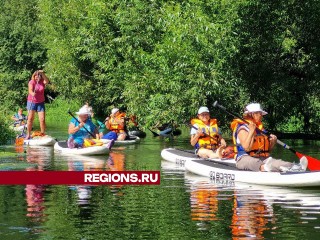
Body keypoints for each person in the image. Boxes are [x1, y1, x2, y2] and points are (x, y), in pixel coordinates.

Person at [230, 103, 308, 172]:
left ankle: (296, 167)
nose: (261, 115)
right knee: (256, 162)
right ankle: (265, 167)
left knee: (279, 162)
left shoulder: (261, 129)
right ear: (251, 114)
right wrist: (251, 132)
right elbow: (247, 148)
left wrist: (273, 142)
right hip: (244, 159)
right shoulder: (242, 128)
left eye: (261, 113)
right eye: (258, 113)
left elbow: (268, 151)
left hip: (262, 158)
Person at [26, 70, 49, 139]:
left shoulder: (42, 81)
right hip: (31, 102)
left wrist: (42, 74)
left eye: (39, 76)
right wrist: (32, 93)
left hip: (40, 102)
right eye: (36, 76)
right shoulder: (31, 82)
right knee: (30, 118)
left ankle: (42, 133)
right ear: (34, 76)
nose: (37, 77)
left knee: (42, 119)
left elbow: (47, 81)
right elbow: (30, 90)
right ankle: (28, 134)